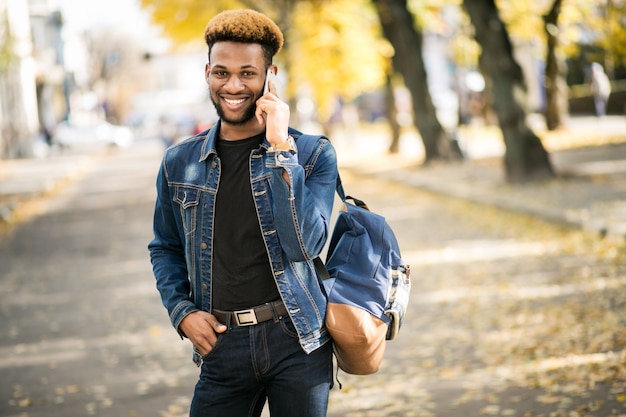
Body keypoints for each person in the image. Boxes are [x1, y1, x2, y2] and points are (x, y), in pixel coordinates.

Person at [148, 9, 338, 417]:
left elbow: (306, 245)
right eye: (221, 73)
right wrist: (182, 313)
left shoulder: (311, 154)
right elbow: (164, 246)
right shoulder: (179, 163)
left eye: (248, 73)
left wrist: (280, 151)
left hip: (298, 339)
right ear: (207, 74)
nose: (233, 85)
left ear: (271, 77)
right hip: (222, 342)